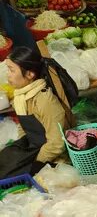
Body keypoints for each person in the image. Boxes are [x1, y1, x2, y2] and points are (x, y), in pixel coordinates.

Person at [0, 46, 76, 178]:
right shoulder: (21, 97)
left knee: (8, 174)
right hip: (34, 147)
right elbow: (24, 129)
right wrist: (21, 151)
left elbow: (57, 143)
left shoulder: (44, 100)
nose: (8, 75)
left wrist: (36, 163)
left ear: (30, 74)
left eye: (12, 70)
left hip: (52, 154)